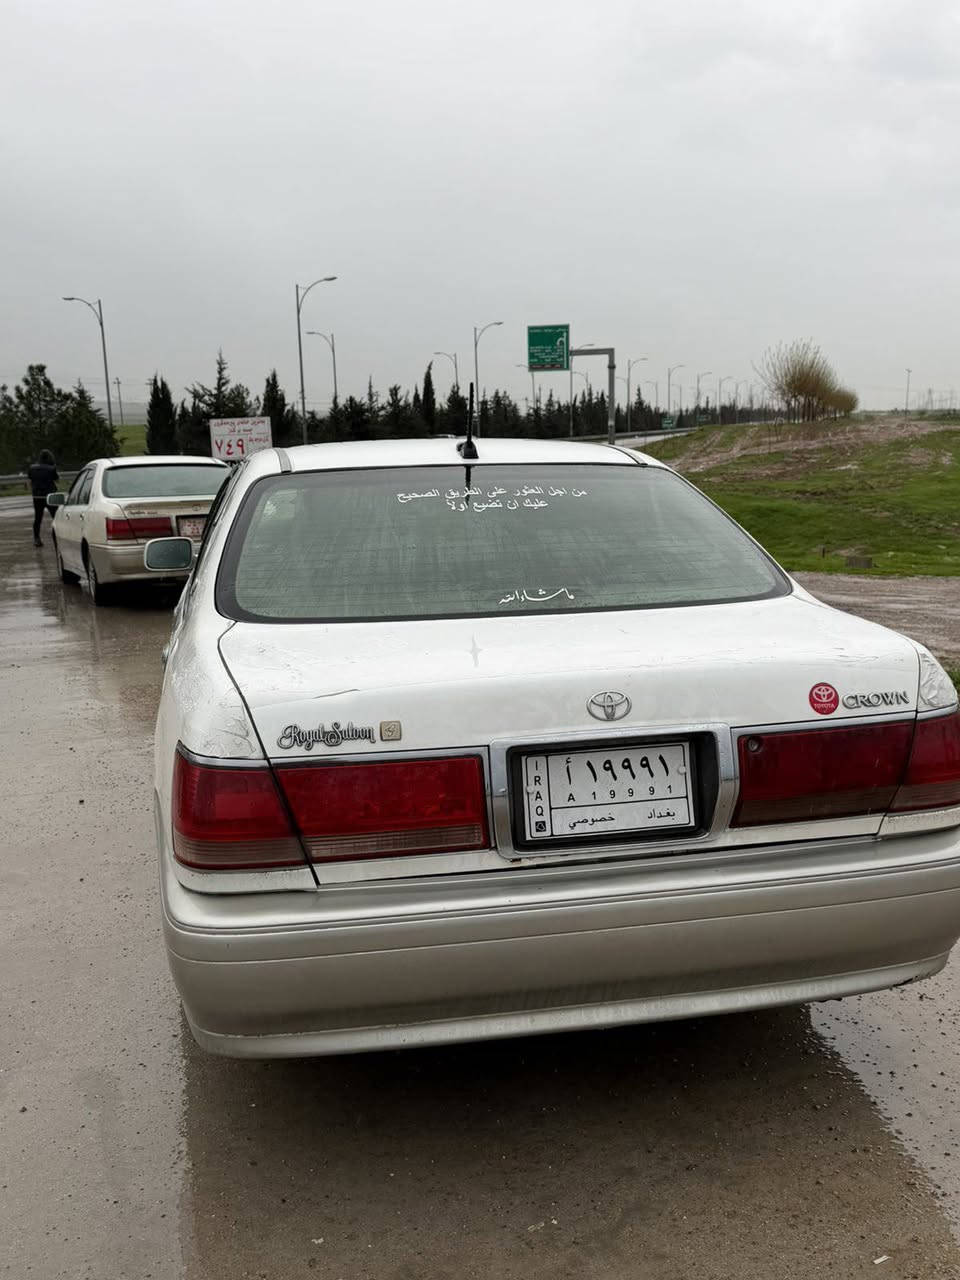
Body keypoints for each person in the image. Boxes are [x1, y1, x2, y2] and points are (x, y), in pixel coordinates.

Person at [28, 449, 59, 547]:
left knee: (38, 518)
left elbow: (30, 480)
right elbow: (56, 479)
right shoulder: (51, 468)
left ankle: (36, 539)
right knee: (56, 518)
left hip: (37, 496)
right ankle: (57, 537)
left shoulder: (32, 468)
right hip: (50, 496)